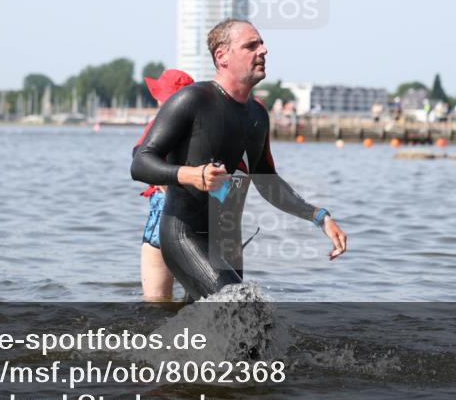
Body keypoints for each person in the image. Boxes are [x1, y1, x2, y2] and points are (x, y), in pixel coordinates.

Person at [131, 18, 348, 301]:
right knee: (245, 312)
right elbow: (141, 162)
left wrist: (319, 216)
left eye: (261, 43)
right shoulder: (192, 100)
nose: (264, 50)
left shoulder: (258, 114)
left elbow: (268, 182)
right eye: (251, 45)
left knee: (222, 334)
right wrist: (190, 174)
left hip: (228, 244)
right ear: (222, 56)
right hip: (186, 235)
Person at [134, 69, 195, 301]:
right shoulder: (204, 124)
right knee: (199, 298)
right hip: (204, 209)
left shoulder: (161, 120)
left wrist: (159, 177)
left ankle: (160, 336)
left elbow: (138, 155)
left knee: (157, 299)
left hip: (166, 206)